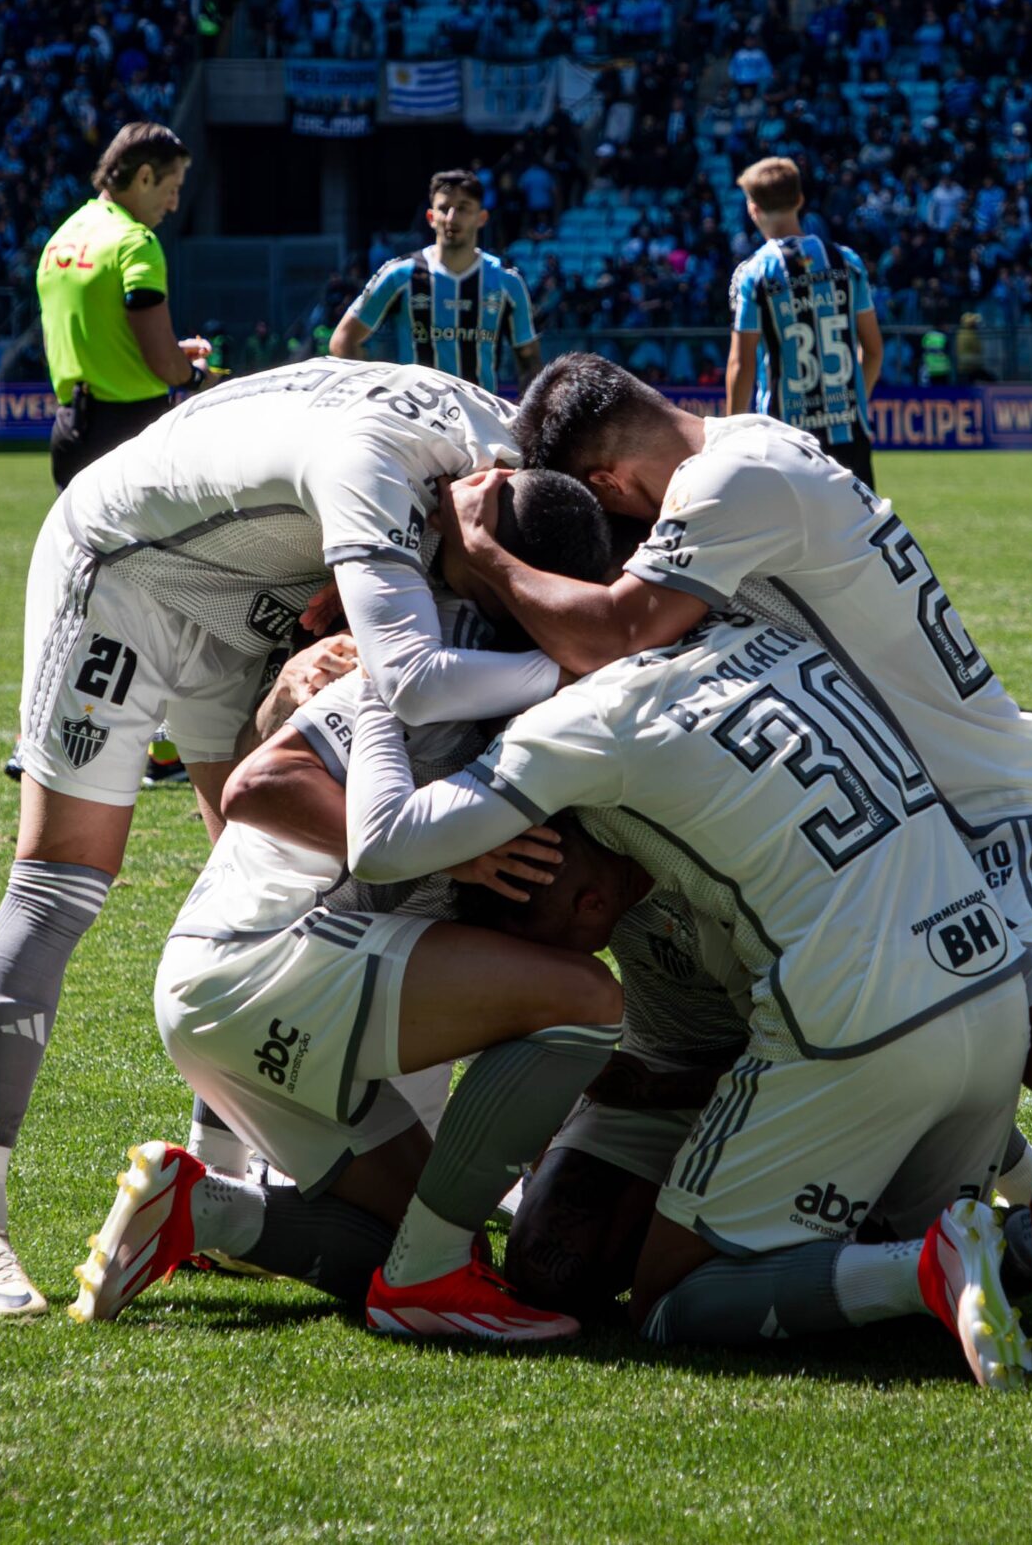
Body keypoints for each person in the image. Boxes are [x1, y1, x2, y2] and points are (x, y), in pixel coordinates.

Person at [462, 355, 1032, 1360]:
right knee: (928, 1037)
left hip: (995, 810)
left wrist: (484, 559)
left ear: (608, 484)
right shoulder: (753, 450)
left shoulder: (728, 482)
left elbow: (623, 629)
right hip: (930, 814)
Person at [0, 357, 568, 1317]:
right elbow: (415, 679)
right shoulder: (388, 469)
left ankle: (221, 1174)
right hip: (130, 566)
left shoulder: (494, 457)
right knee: (62, 882)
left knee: (260, 868)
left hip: (253, 585)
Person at [340, 604, 1032, 1387]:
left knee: (669, 1302)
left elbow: (801, 1032)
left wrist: (382, 680)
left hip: (810, 1056)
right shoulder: (570, 778)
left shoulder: (686, 810)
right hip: (820, 1033)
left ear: (585, 906)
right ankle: (1030, 1234)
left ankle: (956, 1244)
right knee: (550, 1265)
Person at [66, 471, 624, 1342]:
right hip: (259, 962)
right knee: (588, 998)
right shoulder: (440, 660)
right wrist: (458, 848)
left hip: (235, 995)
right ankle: (428, 1283)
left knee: (413, 1239)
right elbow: (258, 783)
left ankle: (202, 1208)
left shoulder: (475, 661)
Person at [28, 122, 214, 791]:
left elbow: (103, 331)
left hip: (72, 424)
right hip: (129, 432)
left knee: (80, 591)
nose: (173, 202)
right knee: (158, 593)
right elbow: (160, 359)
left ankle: (39, 736)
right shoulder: (136, 243)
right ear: (141, 178)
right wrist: (194, 375)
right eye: (170, 186)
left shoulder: (67, 236)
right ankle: (160, 746)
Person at [726, 157, 884, 487]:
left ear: (753, 209)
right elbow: (872, 350)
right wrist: (853, 403)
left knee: (788, 537)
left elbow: (742, 365)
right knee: (855, 536)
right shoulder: (847, 261)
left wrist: (731, 435)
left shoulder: (754, 274)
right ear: (800, 200)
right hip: (848, 432)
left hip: (785, 438)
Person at [331, 170, 539, 394]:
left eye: (463, 208)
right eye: (444, 208)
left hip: (481, 423)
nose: (452, 217)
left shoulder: (507, 281)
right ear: (431, 217)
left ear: (481, 218)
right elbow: (343, 341)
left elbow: (531, 365)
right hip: (414, 423)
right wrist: (378, 396)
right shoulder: (399, 275)